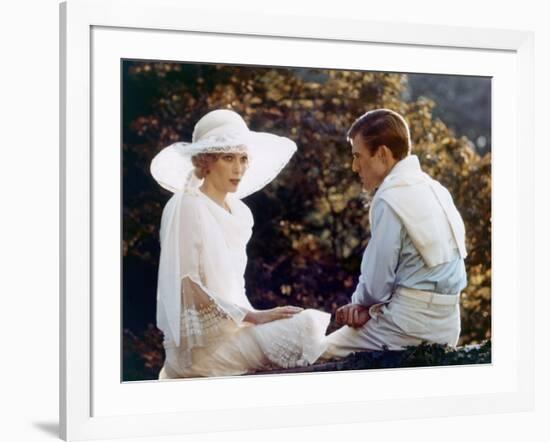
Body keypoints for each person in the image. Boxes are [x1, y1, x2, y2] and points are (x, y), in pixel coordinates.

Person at [151, 109, 331, 378]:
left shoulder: (240, 212)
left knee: (304, 321)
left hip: (237, 327)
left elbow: (235, 285)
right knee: (307, 325)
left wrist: (254, 316)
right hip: (205, 348)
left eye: (243, 158)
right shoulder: (187, 204)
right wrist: (253, 317)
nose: (239, 168)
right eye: (228, 158)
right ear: (206, 162)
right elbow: (188, 285)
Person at [322, 109, 468, 358]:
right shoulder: (437, 189)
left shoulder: (390, 196)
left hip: (405, 327)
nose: (355, 166)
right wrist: (369, 309)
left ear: (382, 153)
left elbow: (377, 284)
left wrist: (359, 305)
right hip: (448, 326)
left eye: (358, 156)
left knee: (318, 352)